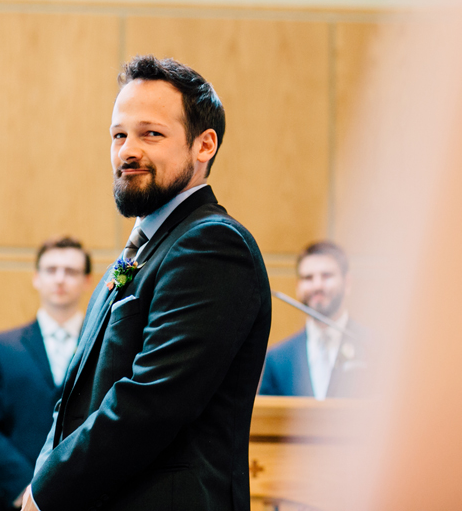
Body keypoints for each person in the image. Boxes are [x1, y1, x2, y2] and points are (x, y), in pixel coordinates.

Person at [22, 55, 272, 511]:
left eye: (150, 134)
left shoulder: (212, 246)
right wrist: (42, 475)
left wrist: (47, 490)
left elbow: (151, 401)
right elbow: (77, 397)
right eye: (119, 135)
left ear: (204, 145)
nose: (127, 151)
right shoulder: (141, 251)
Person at [0, 236, 93, 511]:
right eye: (51, 270)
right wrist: (27, 488)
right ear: (36, 278)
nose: (60, 279)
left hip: (84, 496)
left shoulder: (104, 345)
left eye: (71, 271)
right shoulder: (0, 347)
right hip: (14, 497)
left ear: (87, 280)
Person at [258, 241, 366, 399]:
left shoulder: (374, 348)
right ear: (298, 287)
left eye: (326, 276)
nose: (317, 286)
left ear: (347, 283)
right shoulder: (277, 360)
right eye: (308, 278)